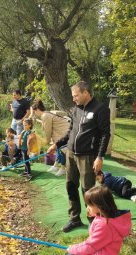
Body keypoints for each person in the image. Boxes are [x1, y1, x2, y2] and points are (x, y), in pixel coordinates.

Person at [47, 81, 110, 233]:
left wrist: (100, 157)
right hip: (70, 154)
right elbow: (71, 132)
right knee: (70, 186)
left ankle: (94, 223)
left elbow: (105, 134)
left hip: (87, 156)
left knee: (88, 191)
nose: (73, 99)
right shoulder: (76, 109)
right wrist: (57, 144)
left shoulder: (100, 109)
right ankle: (74, 219)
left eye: (76, 96)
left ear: (85, 93)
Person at [52, 186, 132, 255]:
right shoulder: (102, 217)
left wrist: (72, 248)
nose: (87, 208)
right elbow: (91, 243)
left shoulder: (105, 225)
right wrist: (76, 247)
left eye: (90, 205)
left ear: (100, 206)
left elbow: (90, 247)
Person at [32, 99, 70, 177]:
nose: (34, 114)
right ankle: (55, 166)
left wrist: (47, 141)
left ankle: (63, 168)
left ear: (37, 109)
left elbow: (48, 131)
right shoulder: (47, 114)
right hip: (61, 133)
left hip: (65, 133)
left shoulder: (45, 116)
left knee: (62, 151)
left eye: (34, 111)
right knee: (58, 150)